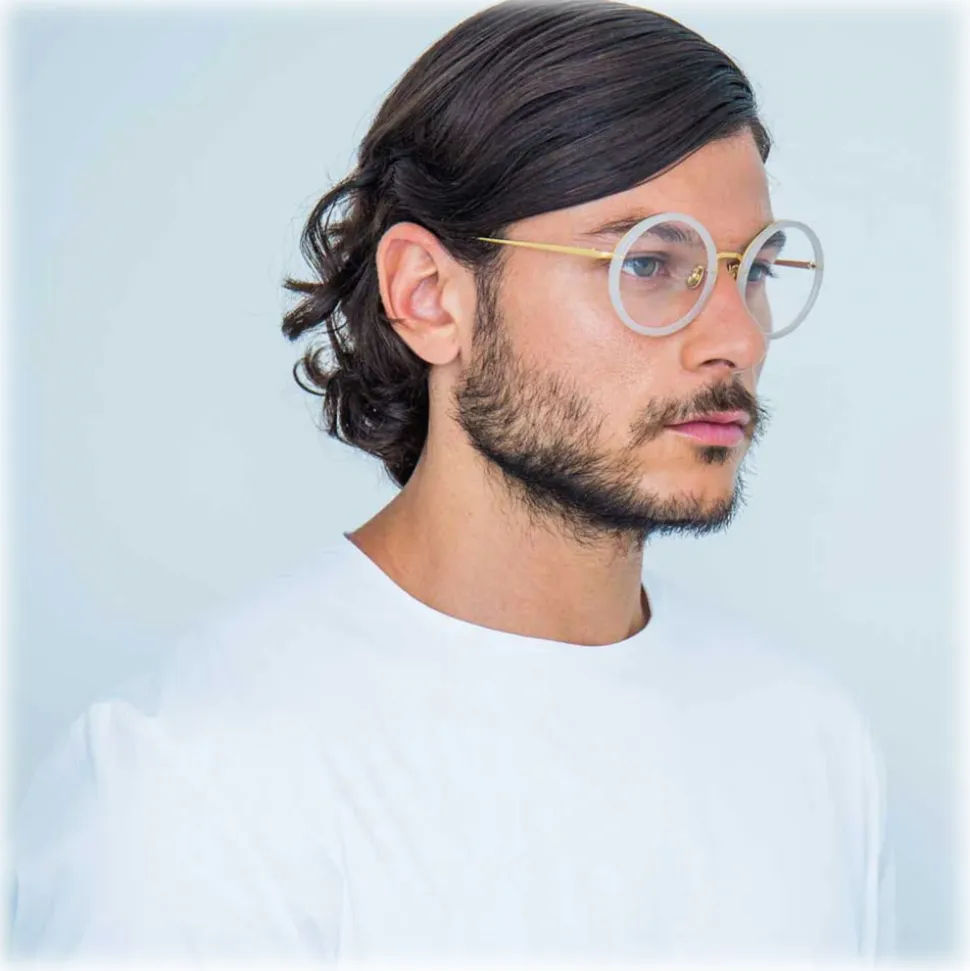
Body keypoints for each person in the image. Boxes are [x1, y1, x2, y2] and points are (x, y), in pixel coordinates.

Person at [8, 0, 896, 963]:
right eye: (647, 262)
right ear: (429, 296)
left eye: (753, 268)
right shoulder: (194, 785)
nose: (736, 338)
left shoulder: (813, 741)